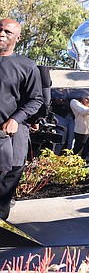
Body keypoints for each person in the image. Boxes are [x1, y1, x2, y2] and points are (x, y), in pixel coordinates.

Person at [0, 18, 43, 220]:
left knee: (8, 180)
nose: (2, 34)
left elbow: (36, 100)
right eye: (0, 30)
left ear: (18, 37)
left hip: (11, 134)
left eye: (8, 32)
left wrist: (16, 119)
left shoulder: (26, 66)